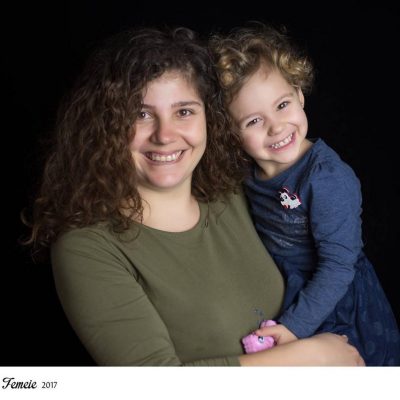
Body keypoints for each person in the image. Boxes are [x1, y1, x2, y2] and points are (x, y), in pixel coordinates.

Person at [22, 25, 364, 366]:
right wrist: (309, 356)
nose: (165, 135)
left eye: (184, 111)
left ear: (211, 119)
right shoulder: (88, 247)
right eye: (141, 114)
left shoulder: (232, 190)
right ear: (106, 127)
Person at [210, 22, 400, 365]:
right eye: (253, 121)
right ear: (231, 133)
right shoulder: (244, 173)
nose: (276, 126)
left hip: (335, 301)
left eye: (282, 104)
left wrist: (295, 328)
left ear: (299, 94)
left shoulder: (325, 178)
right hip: (286, 290)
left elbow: (338, 266)